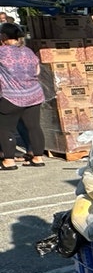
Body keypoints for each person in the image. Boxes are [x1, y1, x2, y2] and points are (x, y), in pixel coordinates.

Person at [0, 22, 45, 169]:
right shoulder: (28, 51)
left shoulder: (2, 52)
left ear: (4, 36)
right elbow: (37, 71)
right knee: (34, 127)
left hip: (11, 96)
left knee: (6, 128)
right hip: (34, 95)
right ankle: (38, 158)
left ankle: (9, 160)